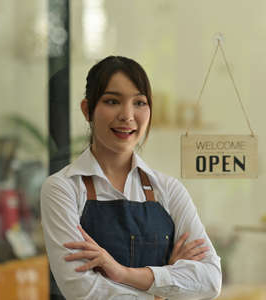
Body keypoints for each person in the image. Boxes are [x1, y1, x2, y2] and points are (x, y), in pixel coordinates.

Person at [41, 56, 222, 300]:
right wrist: (163, 288)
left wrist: (123, 273)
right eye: (112, 101)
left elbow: (211, 281)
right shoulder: (62, 189)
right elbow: (83, 291)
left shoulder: (168, 190)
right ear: (87, 110)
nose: (127, 115)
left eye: (139, 102)